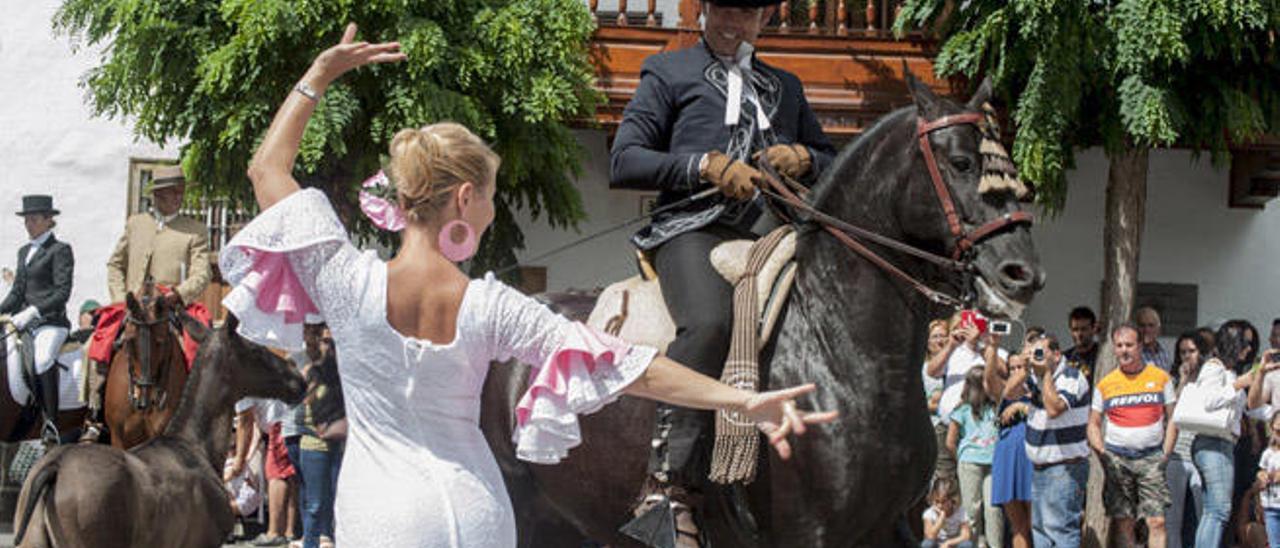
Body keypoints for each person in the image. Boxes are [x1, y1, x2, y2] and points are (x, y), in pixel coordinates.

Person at [222, 24, 836, 547]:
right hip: (478, 513)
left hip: (380, 518)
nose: (491, 209)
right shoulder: (491, 306)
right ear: (465, 198)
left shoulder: (344, 279)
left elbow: (266, 168)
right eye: (490, 194)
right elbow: (631, 367)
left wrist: (318, 77)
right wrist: (743, 400)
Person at [608, 0, 837, 532]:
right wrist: (703, 165)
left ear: (765, 19)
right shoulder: (668, 70)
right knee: (709, 322)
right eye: (725, 12)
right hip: (691, 228)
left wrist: (804, 157)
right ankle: (667, 486)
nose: (734, 25)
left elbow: (831, 160)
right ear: (706, 11)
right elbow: (625, 159)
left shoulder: (788, 86)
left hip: (772, 230)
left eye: (747, 14)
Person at [83, 164, 214, 441]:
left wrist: (177, 295)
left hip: (171, 305)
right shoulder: (136, 223)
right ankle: (94, 414)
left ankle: (202, 416)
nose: (176, 197)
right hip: (133, 305)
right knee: (96, 344)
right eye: (170, 193)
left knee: (201, 349)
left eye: (179, 193)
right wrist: (121, 299)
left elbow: (202, 273)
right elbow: (115, 265)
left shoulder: (194, 230)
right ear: (156, 196)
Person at [1088, 323, 1176, 548]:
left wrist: (1165, 454)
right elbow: (1093, 424)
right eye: (1119, 345)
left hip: (1151, 459)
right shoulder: (1105, 384)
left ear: (1140, 346)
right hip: (1118, 459)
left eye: (1129, 344)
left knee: (1156, 521)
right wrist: (1103, 454)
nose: (1124, 350)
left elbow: (1173, 419)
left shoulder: (1161, 378)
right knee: (1124, 522)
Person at [1, 195, 74, 446]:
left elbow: (62, 293)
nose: (28, 224)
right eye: (26, 220)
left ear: (48, 221)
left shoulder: (60, 250)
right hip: (25, 322)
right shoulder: (24, 252)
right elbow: (17, 292)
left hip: (51, 323)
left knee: (43, 358)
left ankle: (51, 423)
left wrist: (33, 311)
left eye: (33, 219)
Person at [1172, 324, 1254, 547]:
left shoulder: (1226, 370)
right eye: (1244, 344)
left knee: (1212, 511)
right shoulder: (1214, 367)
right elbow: (1209, 401)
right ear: (1233, 345)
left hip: (1220, 444)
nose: (1248, 349)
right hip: (1214, 443)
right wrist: (1239, 384)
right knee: (1218, 510)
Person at [1019, 333, 1090, 548]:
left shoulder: (1072, 377)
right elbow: (1006, 392)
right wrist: (1023, 367)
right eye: (1034, 352)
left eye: (1041, 352)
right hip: (1039, 467)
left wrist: (1046, 373)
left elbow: (1054, 409)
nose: (1037, 356)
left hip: (1064, 469)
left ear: (1057, 355)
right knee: (1040, 531)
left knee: (1060, 531)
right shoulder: (1034, 378)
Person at [946, 367, 1002, 548]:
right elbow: (950, 441)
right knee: (972, 510)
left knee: (994, 509)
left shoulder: (995, 406)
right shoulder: (962, 409)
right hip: (970, 463)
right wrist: (962, 458)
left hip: (994, 463)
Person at [297, 324, 343, 548]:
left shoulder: (344, 375)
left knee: (338, 502)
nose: (329, 347)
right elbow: (300, 411)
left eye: (333, 342)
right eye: (325, 341)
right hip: (314, 444)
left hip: (340, 446)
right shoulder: (310, 372)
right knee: (314, 503)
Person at [1165, 331, 1209, 548]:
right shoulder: (1172, 379)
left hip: (1201, 454)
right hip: (1176, 455)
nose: (1187, 356)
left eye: (1191, 351)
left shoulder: (1209, 380)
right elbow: (1170, 412)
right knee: (1172, 521)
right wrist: (1182, 380)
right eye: (1182, 352)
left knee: (1204, 517)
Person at [987, 351, 1033, 548]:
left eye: (1020, 367)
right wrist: (993, 347)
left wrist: (1021, 408)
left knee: (1035, 523)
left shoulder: (1038, 389)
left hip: (1031, 456)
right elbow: (989, 380)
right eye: (1012, 368)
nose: (1016, 372)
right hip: (1007, 455)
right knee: (1018, 525)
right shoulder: (1004, 394)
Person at [924, 319, 954, 486]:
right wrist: (942, 403)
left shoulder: (956, 365)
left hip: (958, 425)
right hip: (935, 427)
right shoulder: (923, 369)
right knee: (943, 475)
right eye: (935, 336)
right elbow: (920, 402)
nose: (939, 340)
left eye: (943, 336)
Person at [921, 478, 973, 548]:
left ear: (952, 500)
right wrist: (941, 519)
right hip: (937, 544)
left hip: (954, 543)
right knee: (927, 544)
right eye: (937, 501)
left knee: (966, 545)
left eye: (943, 502)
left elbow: (966, 535)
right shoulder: (929, 513)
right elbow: (930, 536)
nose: (940, 505)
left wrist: (949, 543)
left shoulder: (960, 512)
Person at [1256, 411, 1280, 547]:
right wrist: (1262, 476)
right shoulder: (1268, 453)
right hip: (1271, 506)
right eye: (1278, 431)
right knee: (1274, 543)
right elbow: (1261, 470)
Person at [1063, 306, 1099, 379]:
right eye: (1075, 330)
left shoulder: (1101, 354)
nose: (1079, 334)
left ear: (1093, 329)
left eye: (1084, 329)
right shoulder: (1065, 358)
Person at [1135, 306, 1173, 373]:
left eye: (1151, 325)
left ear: (1158, 329)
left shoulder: (1164, 354)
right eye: (1142, 325)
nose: (1147, 330)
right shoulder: (1134, 354)